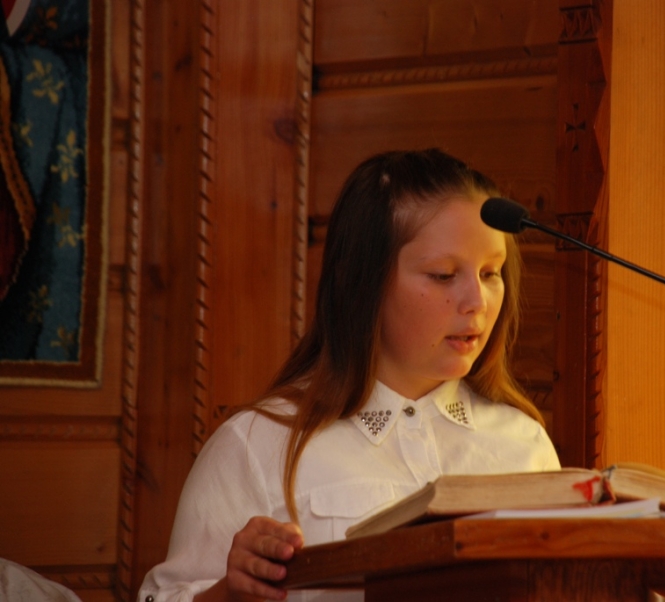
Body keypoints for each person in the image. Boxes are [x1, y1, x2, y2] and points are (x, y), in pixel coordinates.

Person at [138, 149, 561, 602]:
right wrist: (227, 594)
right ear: (364, 281)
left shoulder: (525, 444)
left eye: (491, 273)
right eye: (443, 275)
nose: (476, 301)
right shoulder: (257, 446)